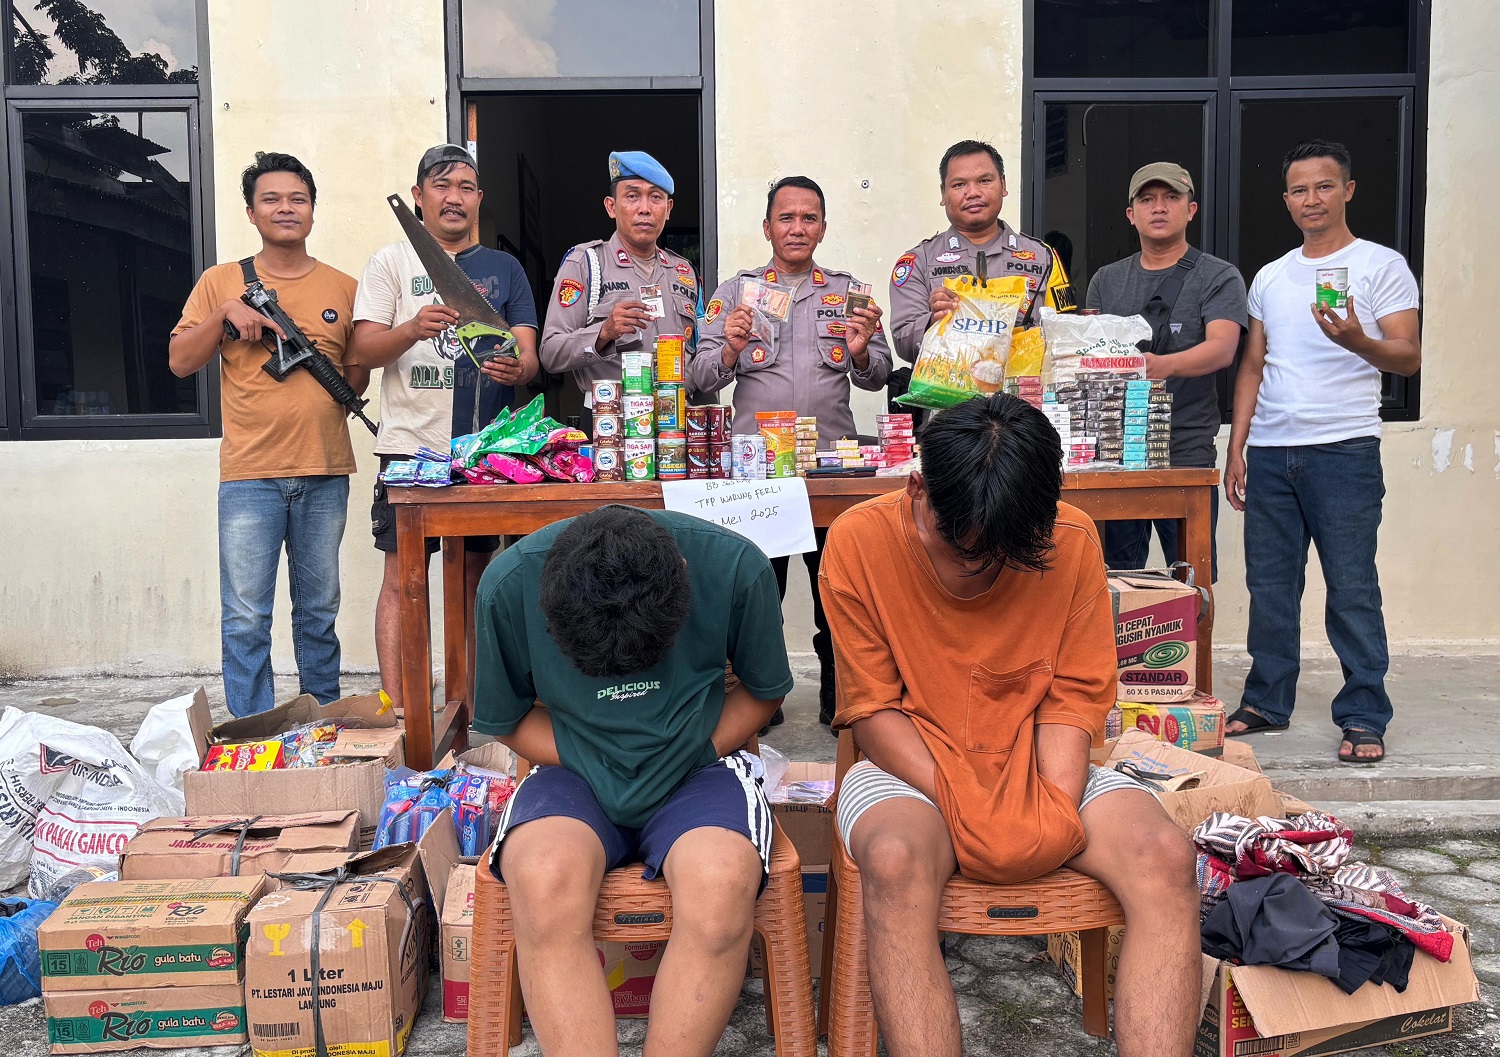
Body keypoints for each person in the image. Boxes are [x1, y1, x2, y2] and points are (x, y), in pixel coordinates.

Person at [820, 393, 1202, 1057]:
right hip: (909, 764)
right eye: (969, 552)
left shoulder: (1070, 538)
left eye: (1006, 555)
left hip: (1040, 758)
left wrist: (1049, 804)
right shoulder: (859, 541)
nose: (984, 568)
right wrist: (970, 803)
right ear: (920, 488)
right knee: (894, 859)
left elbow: (1074, 696)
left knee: (1167, 857)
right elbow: (873, 708)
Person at [473, 505, 793, 1056]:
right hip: (571, 769)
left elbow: (764, 689)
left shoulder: (737, 566)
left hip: (701, 765)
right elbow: (507, 718)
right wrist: (582, 755)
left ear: (685, 578)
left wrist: (696, 748)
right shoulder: (508, 584)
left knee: (721, 888)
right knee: (543, 879)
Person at [1225, 140, 1420, 764]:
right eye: (1300, 190)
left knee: (1352, 586)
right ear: (1286, 201)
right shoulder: (1271, 275)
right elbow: (1253, 365)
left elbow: (1409, 355)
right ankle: (1265, 700)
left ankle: (1364, 714)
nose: (1312, 200)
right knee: (1271, 586)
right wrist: (1238, 445)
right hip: (1273, 451)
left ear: (1349, 191)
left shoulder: (1380, 266)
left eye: (1324, 186)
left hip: (1344, 450)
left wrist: (1357, 337)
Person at [690, 175, 892, 730]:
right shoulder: (735, 292)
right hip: (759, 472)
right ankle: (761, 704)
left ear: (823, 228)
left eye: (809, 218)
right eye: (786, 217)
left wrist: (858, 350)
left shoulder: (850, 292)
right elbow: (698, 374)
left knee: (839, 595)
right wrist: (729, 347)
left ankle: (839, 701)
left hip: (832, 468)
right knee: (756, 596)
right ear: (767, 227)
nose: (797, 228)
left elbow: (879, 375)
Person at [169, 152, 366, 718]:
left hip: (325, 472)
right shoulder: (221, 281)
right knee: (247, 616)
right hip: (250, 474)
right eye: (272, 199)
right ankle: (255, 733)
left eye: (297, 199)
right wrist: (224, 314)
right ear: (251, 213)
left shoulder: (343, 287)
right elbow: (181, 361)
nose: (286, 209)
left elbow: (354, 377)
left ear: (312, 210)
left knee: (318, 614)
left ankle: (320, 724)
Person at [350, 144, 541, 714]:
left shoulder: (505, 269)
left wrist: (518, 367)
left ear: (479, 199)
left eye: (465, 187)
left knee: (477, 579)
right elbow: (362, 347)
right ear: (418, 197)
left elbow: (530, 357)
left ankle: (472, 703)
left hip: (485, 451)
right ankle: (401, 708)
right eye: (440, 185)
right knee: (401, 577)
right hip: (411, 448)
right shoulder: (391, 261)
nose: (453, 197)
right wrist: (411, 328)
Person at [1087, 162, 1248, 576]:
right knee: (1115, 577)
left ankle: (1193, 645)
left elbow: (1222, 349)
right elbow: (1087, 358)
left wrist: (1157, 366)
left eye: (1171, 198)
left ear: (1191, 209)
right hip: (1117, 450)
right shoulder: (1106, 281)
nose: (1159, 208)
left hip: (1185, 448)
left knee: (1191, 576)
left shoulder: (1219, 276)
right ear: (1131, 214)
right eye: (1147, 199)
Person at [889, 139, 1076, 365]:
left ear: (1003, 185)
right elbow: (903, 343)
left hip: (1023, 396)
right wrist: (933, 320)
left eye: (984, 180)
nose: (973, 193)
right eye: (959, 185)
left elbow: (1067, 336)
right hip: (948, 397)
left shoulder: (1043, 258)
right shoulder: (919, 261)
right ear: (943, 194)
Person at [540, 151, 700, 408]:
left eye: (656, 197)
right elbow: (551, 353)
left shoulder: (685, 273)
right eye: (632, 196)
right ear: (611, 207)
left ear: (668, 209)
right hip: (608, 420)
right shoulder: (586, 263)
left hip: (675, 423)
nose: (645, 209)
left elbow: (699, 359)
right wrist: (603, 333)